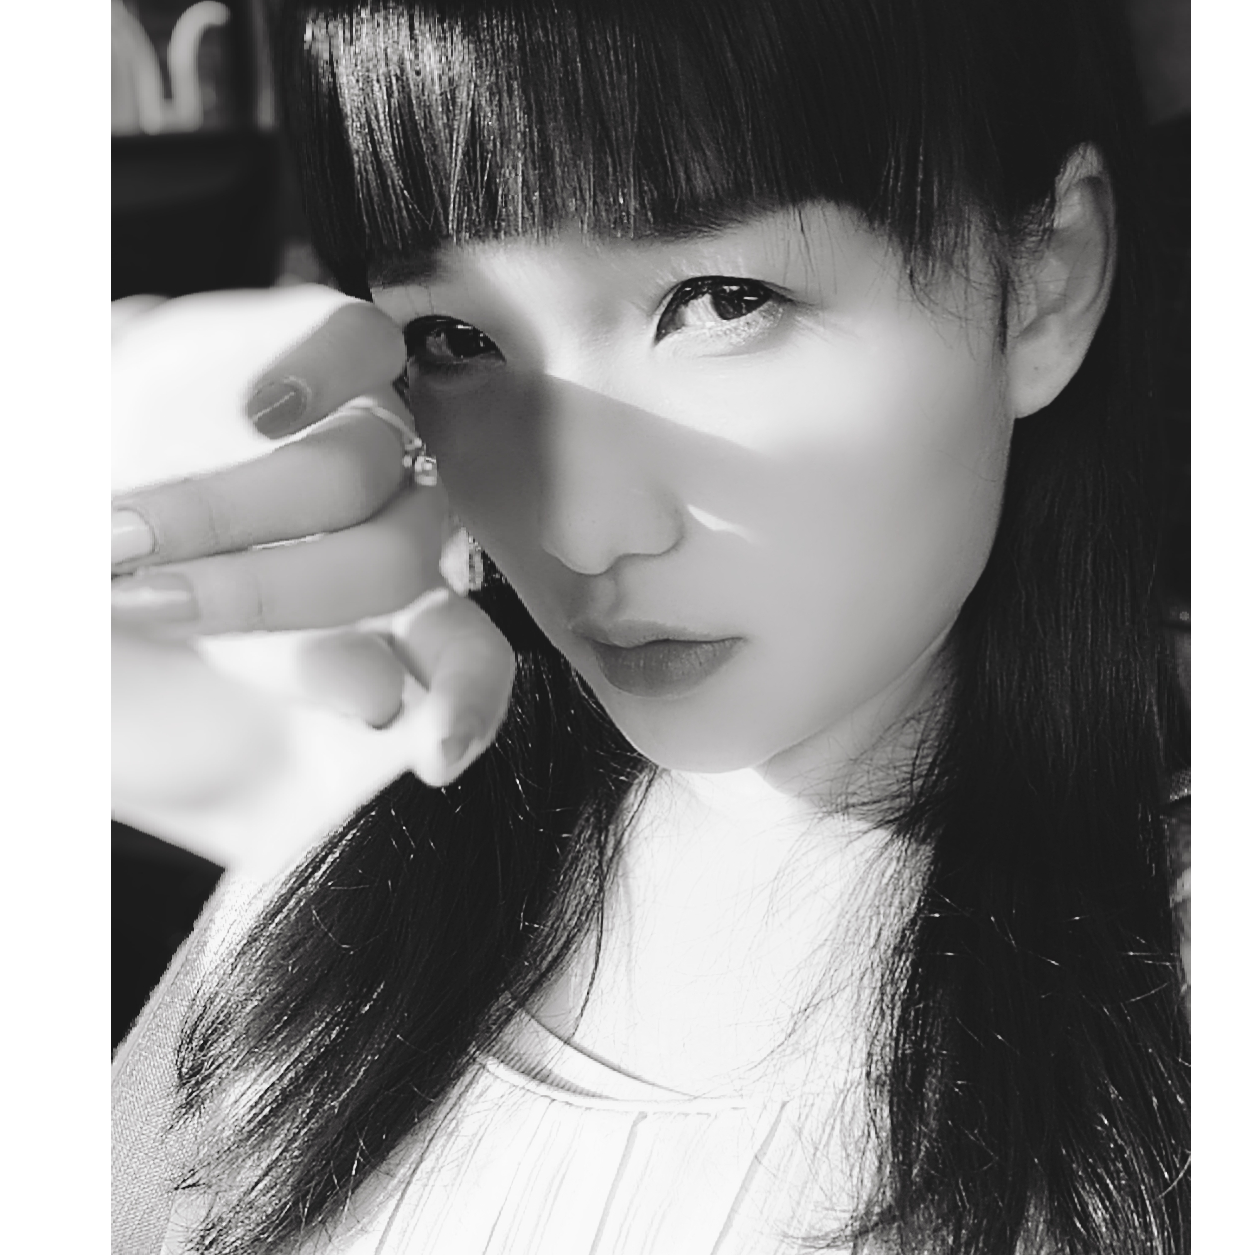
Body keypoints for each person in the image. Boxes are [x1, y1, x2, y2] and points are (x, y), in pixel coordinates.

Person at [110, 1, 1192, 1251]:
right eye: (454, 340)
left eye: (723, 300)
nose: (579, 530)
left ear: (1047, 280)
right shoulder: (340, 832)